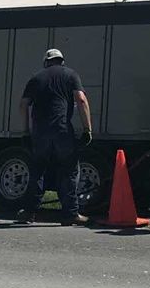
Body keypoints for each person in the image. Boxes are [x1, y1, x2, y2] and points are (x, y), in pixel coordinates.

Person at [17, 46, 93, 225]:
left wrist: (25, 131)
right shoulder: (71, 75)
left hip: (40, 132)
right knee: (69, 170)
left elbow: (23, 105)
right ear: (62, 61)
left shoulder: (36, 78)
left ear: (46, 62)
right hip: (62, 130)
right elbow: (81, 100)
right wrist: (87, 129)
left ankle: (29, 213)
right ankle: (70, 214)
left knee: (38, 170)